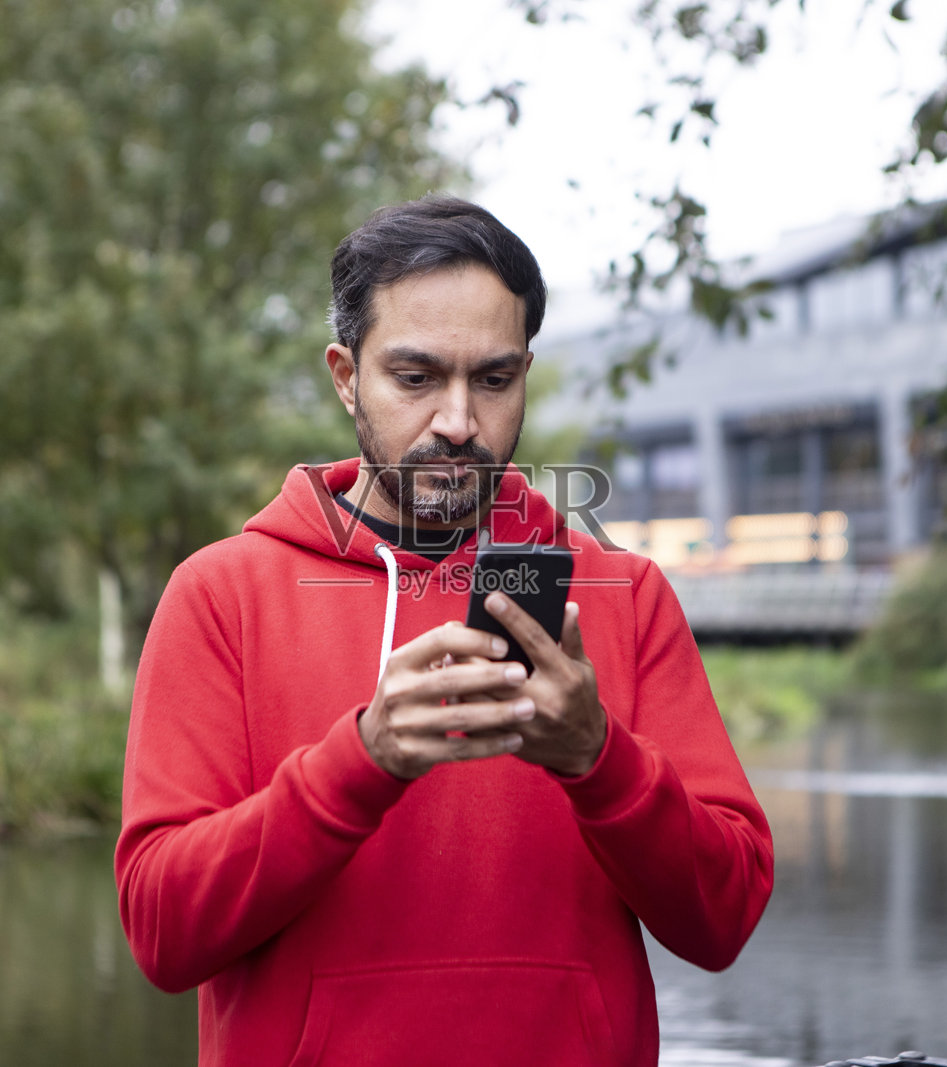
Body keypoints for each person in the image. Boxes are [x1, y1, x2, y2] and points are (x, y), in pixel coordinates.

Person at [114, 195, 773, 1067]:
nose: (459, 422)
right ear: (347, 375)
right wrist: (363, 759)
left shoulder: (623, 592)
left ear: (526, 373)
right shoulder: (221, 594)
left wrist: (597, 758)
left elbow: (722, 920)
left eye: (494, 380)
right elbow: (165, 933)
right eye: (416, 378)